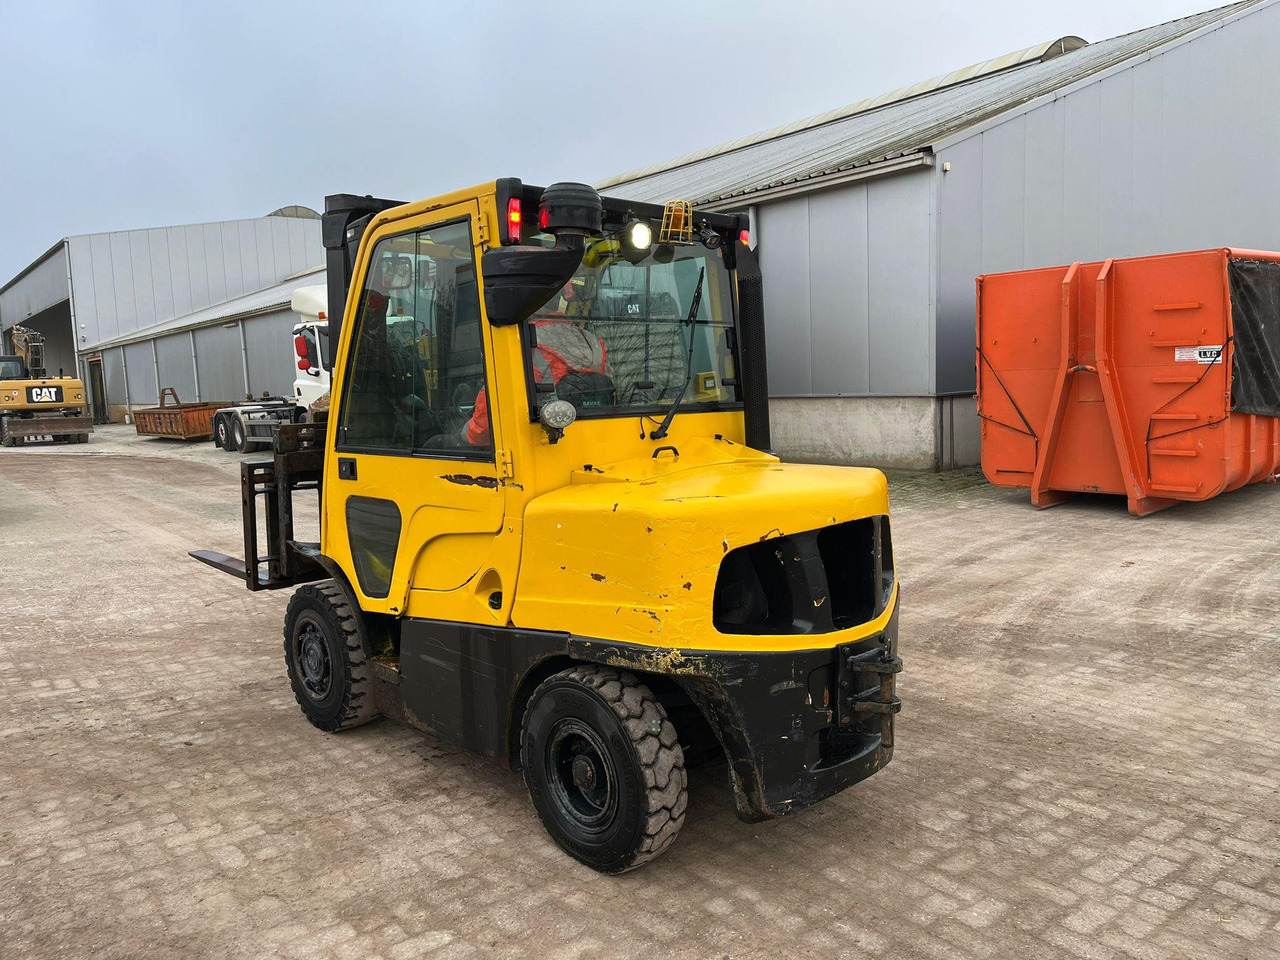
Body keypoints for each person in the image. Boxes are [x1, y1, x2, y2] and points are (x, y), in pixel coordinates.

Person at [462, 282, 610, 447]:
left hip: (541, 444)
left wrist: (465, 434)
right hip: (597, 441)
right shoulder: (593, 342)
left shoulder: (520, 342)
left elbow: (485, 426)